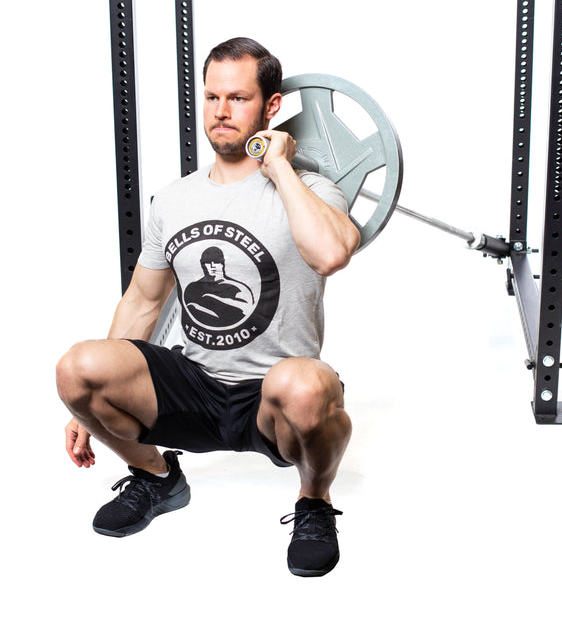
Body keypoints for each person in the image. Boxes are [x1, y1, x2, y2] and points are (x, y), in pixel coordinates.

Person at [56, 37, 360, 577]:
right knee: (78, 367)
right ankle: (157, 479)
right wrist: (81, 407)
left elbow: (332, 253)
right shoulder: (175, 199)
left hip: (271, 398)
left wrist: (281, 168)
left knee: (308, 385)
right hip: (191, 385)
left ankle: (313, 502)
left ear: (271, 107)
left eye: (239, 98)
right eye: (213, 97)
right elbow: (143, 301)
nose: (221, 112)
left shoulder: (312, 190)